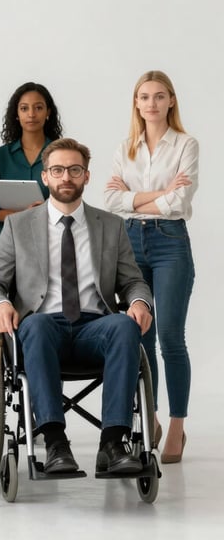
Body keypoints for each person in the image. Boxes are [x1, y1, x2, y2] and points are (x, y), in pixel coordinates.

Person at [0, 138, 153, 475]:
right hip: (43, 328)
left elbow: (132, 281)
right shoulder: (19, 225)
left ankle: (114, 442)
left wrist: (139, 302)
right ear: (45, 177)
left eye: (74, 170)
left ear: (86, 176)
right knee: (37, 325)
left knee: (124, 326)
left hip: (95, 328)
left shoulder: (111, 225)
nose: (66, 178)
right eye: (58, 170)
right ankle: (56, 442)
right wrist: (0, 304)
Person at [104, 70, 197, 464]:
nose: (152, 104)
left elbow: (180, 202)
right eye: (145, 97)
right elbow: (110, 201)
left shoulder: (185, 144)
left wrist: (135, 198)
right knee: (140, 335)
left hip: (170, 242)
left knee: (171, 337)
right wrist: (160, 192)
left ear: (171, 101)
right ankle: (151, 417)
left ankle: (177, 424)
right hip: (129, 243)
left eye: (160, 96)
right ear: (136, 103)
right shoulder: (126, 147)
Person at [0, 82, 63, 238]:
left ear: (48, 113)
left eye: (38, 108)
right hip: (10, 240)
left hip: (53, 238)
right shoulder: (0, 156)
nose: (31, 114)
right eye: (24, 108)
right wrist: (17, 217)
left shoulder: (61, 154)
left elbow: (72, 201)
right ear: (17, 114)